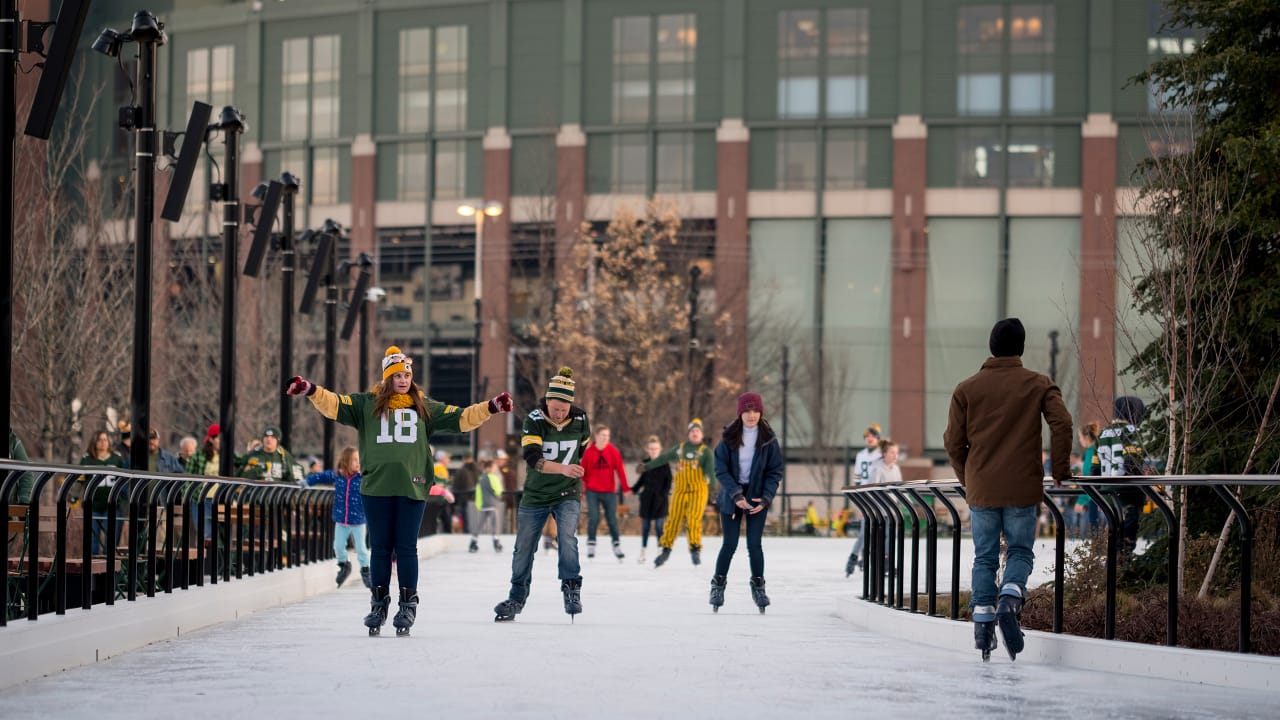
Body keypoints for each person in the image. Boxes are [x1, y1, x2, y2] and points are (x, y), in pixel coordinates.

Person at [287, 345, 512, 636]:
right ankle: (378, 604)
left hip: (412, 487)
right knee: (380, 548)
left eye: (407, 374)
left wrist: (491, 406)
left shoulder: (423, 407)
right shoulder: (366, 405)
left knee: (405, 548)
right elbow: (334, 403)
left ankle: (408, 604)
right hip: (376, 487)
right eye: (397, 375)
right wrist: (310, 389)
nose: (403, 380)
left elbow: (461, 418)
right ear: (387, 378)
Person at [943, 317, 1072, 662]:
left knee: (984, 557)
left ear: (991, 346)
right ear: (1021, 348)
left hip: (982, 489)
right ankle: (1010, 599)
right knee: (1019, 551)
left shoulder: (966, 389)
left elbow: (953, 443)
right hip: (1021, 488)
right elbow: (1062, 422)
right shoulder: (1038, 384)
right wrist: (1059, 469)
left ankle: (983, 627)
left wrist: (969, 479)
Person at [493, 366, 590, 622]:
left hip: (567, 493)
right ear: (547, 402)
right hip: (535, 495)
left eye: (564, 409)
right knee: (523, 547)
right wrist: (564, 468)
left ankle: (571, 589)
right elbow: (533, 458)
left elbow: (583, 449)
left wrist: (574, 472)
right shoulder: (533, 420)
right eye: (555, 408)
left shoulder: (581, 420)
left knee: (567, 538)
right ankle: (516, 597)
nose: (559, 414)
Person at [709, 392, 784, 613]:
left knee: (754, 545)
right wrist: (735, 495)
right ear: (740, 412)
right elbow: (720, 470)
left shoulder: (769, 438)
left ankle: (759, 587)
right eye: (747, 411)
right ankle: (717, 586)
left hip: (756, 497)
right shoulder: (728, 436)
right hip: (732, 497)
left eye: (755, 410)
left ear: (761, 412)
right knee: (729, 544)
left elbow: (775, 471)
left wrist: (767, 497)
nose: (752, 415)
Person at [643, 418, 715, 568]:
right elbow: (663, 458)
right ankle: (665, 549)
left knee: (693, 519)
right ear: (689, 434)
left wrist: (713, 490)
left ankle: (695, 549)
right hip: (680, 490)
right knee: (673, 519)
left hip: (698, 490)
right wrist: (647, 466)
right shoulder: (680, 449)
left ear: (701, 434)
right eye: (692, 431)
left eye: (698, 431)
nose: (695, 433)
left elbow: (710, 472)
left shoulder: (706, 452)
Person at [306, 446, 370, 589]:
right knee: (338, 546)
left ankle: (366, 571)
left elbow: (377, 479)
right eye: (354, 460)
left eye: (358, 459)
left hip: (358, 520)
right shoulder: (338, 476)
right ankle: (344, 565)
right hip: (341, 520)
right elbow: (321, 476)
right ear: (346, 461)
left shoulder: (363, 477)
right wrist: (307, 482)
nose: (357, 462)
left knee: (361, 549)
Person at [1093, 397, 1148, 560]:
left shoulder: (1102, 433)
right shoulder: (1131, 431)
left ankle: (1110, 572)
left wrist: (1099, 495)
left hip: (1108, 494)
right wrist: (1143, 485)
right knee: (1127, 537)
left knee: (1113, 534)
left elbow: (1094, 468)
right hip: (1128, 492)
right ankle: (1122, 569)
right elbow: (1132, 461)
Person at [581, 424, 629, 560]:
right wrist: (582, 491)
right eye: (603, 435)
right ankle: (591, 544)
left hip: (609, 491)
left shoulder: (613, 451)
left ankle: (616, 545)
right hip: (592, 491)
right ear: (596, 436)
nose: (605, 438)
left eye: (607, 436)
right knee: (594, 517)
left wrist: (625, 488)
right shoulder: (589, 453)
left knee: (611, 519)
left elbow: (620, 470)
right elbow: (583, 474)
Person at [77, 430, 127, 553]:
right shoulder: (87, 459)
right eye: (100, 440)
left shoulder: (117, 459)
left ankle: (108, 571)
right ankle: (93, 570)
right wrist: (75, 498)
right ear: (94, 442)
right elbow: (79, 481)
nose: (103, 443)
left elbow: (124, 482)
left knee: (110, 541)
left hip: (112, 506)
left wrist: (124, 503)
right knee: (92, 541)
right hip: (92, 505)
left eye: (105, 439)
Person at [847, 424, 884, 575]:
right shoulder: (861, 455)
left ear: (878, 438)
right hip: (865, 496)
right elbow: (857, 478)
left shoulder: (882, 454)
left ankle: (868, 558)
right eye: (867, 436)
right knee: (865, 531)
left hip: (879, 496)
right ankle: (855, 558)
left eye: (873, 436)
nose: (869, 439)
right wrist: (858, 499)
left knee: (879, 531)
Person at [630, 434, 672, 564]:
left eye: (656, 448)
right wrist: (633, 490)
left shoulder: (664, 464)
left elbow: (669, 481)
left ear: (660, 449)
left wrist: (663, 494)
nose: (654, 451)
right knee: (646, 527)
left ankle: (660, 551)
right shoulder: (645, 464)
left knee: (659, 527)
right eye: (651, 448)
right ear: (647, 449)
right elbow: (641, 480)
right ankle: (643, 551)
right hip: (647, 500)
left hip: (660, 500)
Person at [469, 458, 504, 554]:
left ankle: (473, 541)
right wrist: (499, 496)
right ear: (489, 468)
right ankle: (496, 542)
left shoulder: (481, 478)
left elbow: (478, 493)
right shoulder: (493, 477)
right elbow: (498, 490)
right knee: (495, 525)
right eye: (494, 467)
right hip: (493, 504)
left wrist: (479, 504)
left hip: (484, 505)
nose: (494, 469)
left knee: (479, 525)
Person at [1074, 421, 1103, 536]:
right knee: (1095, 529)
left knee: (1095, 530)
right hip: (1094, 497)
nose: (1080, 440)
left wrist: (1081, 501)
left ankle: (1099, 551)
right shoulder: (1090, 451)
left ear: (1086, 437)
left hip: (1095, 497)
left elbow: (1090, 480)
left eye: (1080, 437)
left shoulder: (1093, 452)